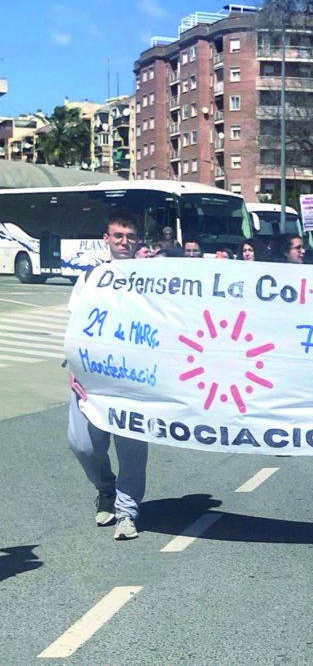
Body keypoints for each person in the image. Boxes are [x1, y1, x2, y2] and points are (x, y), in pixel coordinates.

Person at [67, 215, 149, 540]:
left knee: (131, 448)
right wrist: (74, 368)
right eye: (118, 235)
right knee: (83, 445)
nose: (124, 240)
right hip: (91, 375)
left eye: (130, 235)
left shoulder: (152, 279)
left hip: (135, 379)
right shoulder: (91, 278)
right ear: (106, 239)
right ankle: (106, 489)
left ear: (138, 240)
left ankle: (127, 512)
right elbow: (74, 325)